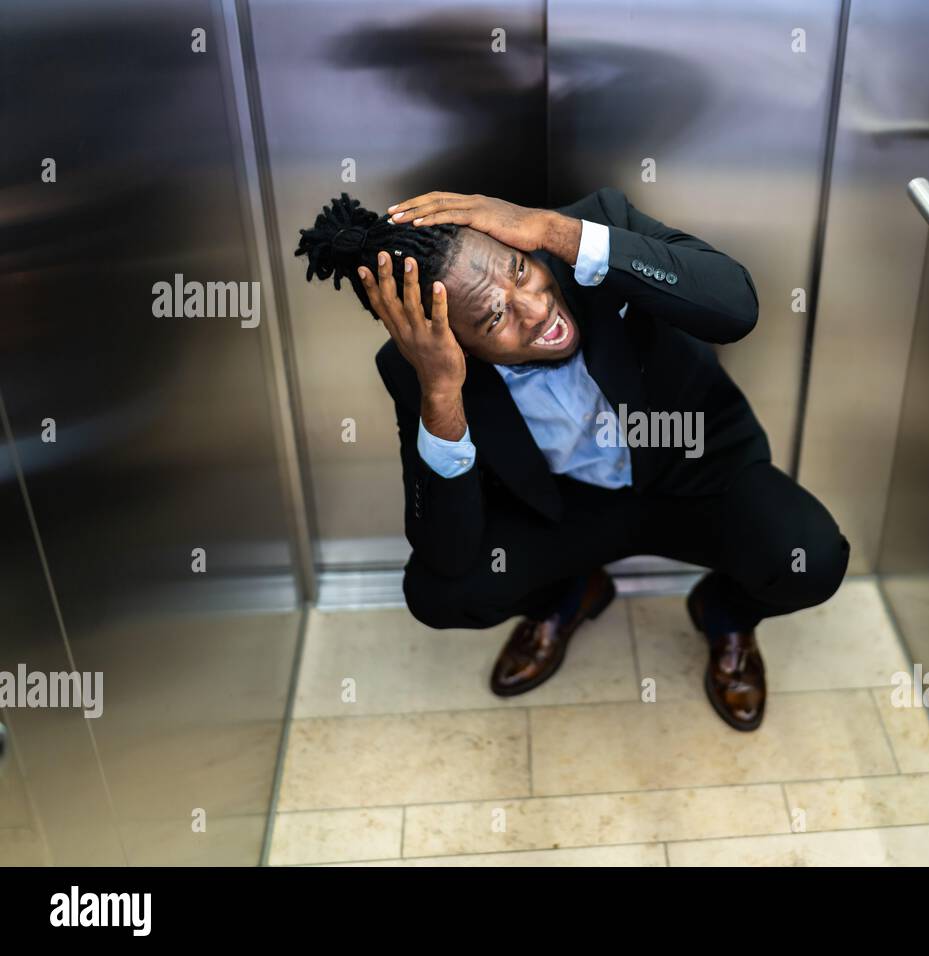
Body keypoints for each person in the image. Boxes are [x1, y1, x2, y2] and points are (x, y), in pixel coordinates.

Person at [295, 186, 849, 730]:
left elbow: (736, 307)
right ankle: (569, 595)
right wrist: (441, 394)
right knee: (441, 594)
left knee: (811, 559)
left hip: (692, 472)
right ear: (453, 345)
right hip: (569, 510)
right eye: (494, 318)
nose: (537, 309)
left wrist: (555, 233)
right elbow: (445, 552)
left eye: (518, 272)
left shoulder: (587, 228)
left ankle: (724, 615)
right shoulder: (417, 368)